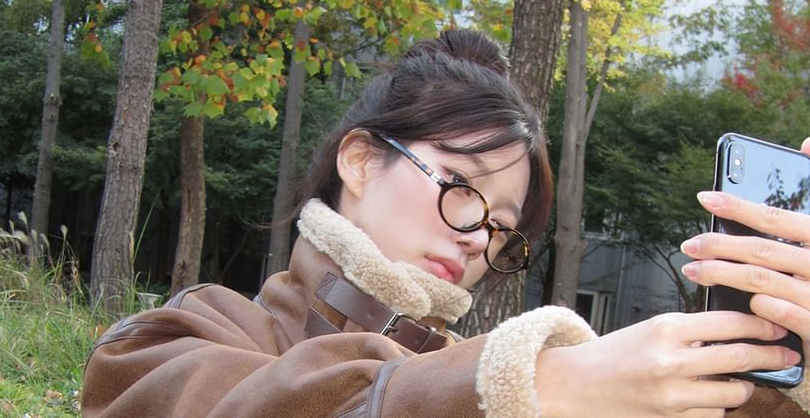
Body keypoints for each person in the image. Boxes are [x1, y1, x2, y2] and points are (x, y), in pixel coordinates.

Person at [81, 29, 810, 417]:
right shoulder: (177, 338)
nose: (476, 239)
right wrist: (538, 388)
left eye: (502, 228)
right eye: (462, 188)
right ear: (359, 161)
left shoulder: (475, 369)